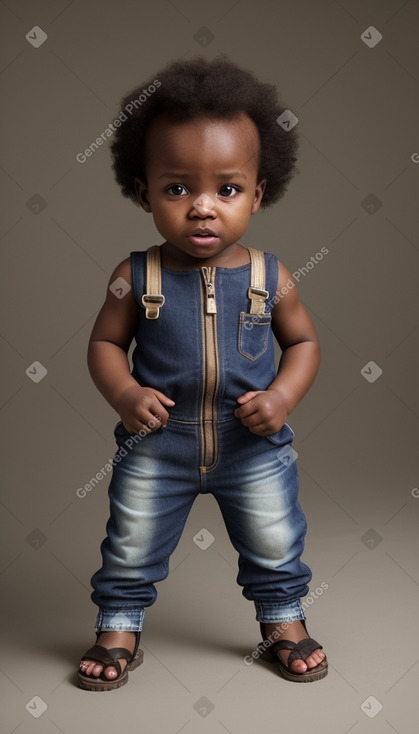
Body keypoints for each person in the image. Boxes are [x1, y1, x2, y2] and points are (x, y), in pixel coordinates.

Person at [78, 56, 328, 691]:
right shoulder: (135, 276)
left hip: (254, 446)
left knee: (274, 536)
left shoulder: (273, 277)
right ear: (143, 193)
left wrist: (284, 395)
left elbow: (302, 343)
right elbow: (105, 343)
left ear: (259, 192)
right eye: (177, 188)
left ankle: (283, 619)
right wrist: (125, 392)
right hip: (157, 445)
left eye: (228, 188)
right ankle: (119, 623)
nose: (203, 209)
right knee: (131, 538)